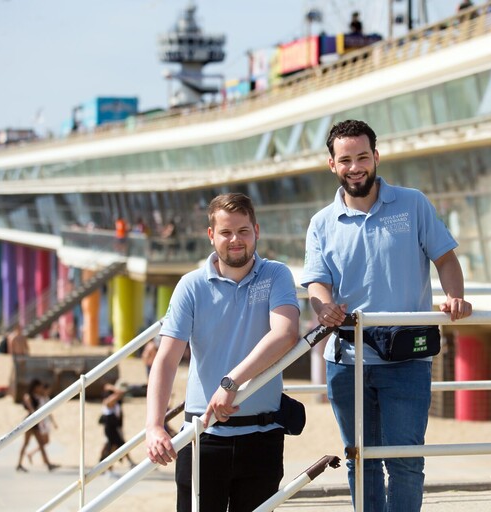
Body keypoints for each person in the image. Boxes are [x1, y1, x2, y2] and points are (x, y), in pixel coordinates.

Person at [301, 119, 473, 511]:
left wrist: (455, 297)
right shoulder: (321, 224)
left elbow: (445, 259)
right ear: (332, 164)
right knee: (360, 460)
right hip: (347, 361)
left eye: (363, 156)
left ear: (376, 157)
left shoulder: (413, 203)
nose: (355, 166)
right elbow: (315, 283)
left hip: (407, 358)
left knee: (406, 463)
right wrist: (323, 305)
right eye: (345, 159)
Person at [145, 192, 300, 512]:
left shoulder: (276, 275)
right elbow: (167, 359)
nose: (235, 240)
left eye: (243, 231)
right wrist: (154, 426)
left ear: (256, 230)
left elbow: (285, 333)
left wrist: (231, 382)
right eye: (226, 232)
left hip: (263, 436)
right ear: (211, 235)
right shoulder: (191, 285)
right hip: (202, 435)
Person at [16, 379, 59, 472]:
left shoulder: (37, 396)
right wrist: (38, 419)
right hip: (30, 421)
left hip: (34, 421)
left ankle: (48, 464)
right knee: (27, 443)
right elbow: (31, 409)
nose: (40, 388)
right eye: (39, 386)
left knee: (39, 443)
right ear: (35, 387)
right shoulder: (28, 396)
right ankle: (20, 464)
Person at [99, 382, 137, 476]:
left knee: (118, 446)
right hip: (110, 428)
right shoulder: (108, 401)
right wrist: (114, 388)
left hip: (115, 428)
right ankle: (108, 468)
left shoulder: (116, 403)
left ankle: (126, 463)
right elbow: (119, 393)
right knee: (112, 447)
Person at [25, 382, 57, 465]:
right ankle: (44, 460)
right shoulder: (40, 398)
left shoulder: (46, 398)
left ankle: (33, 454)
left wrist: (53, 422)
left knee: (45, 441)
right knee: (42, 441)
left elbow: (49, 412)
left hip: (45, 421)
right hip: (42, 421)